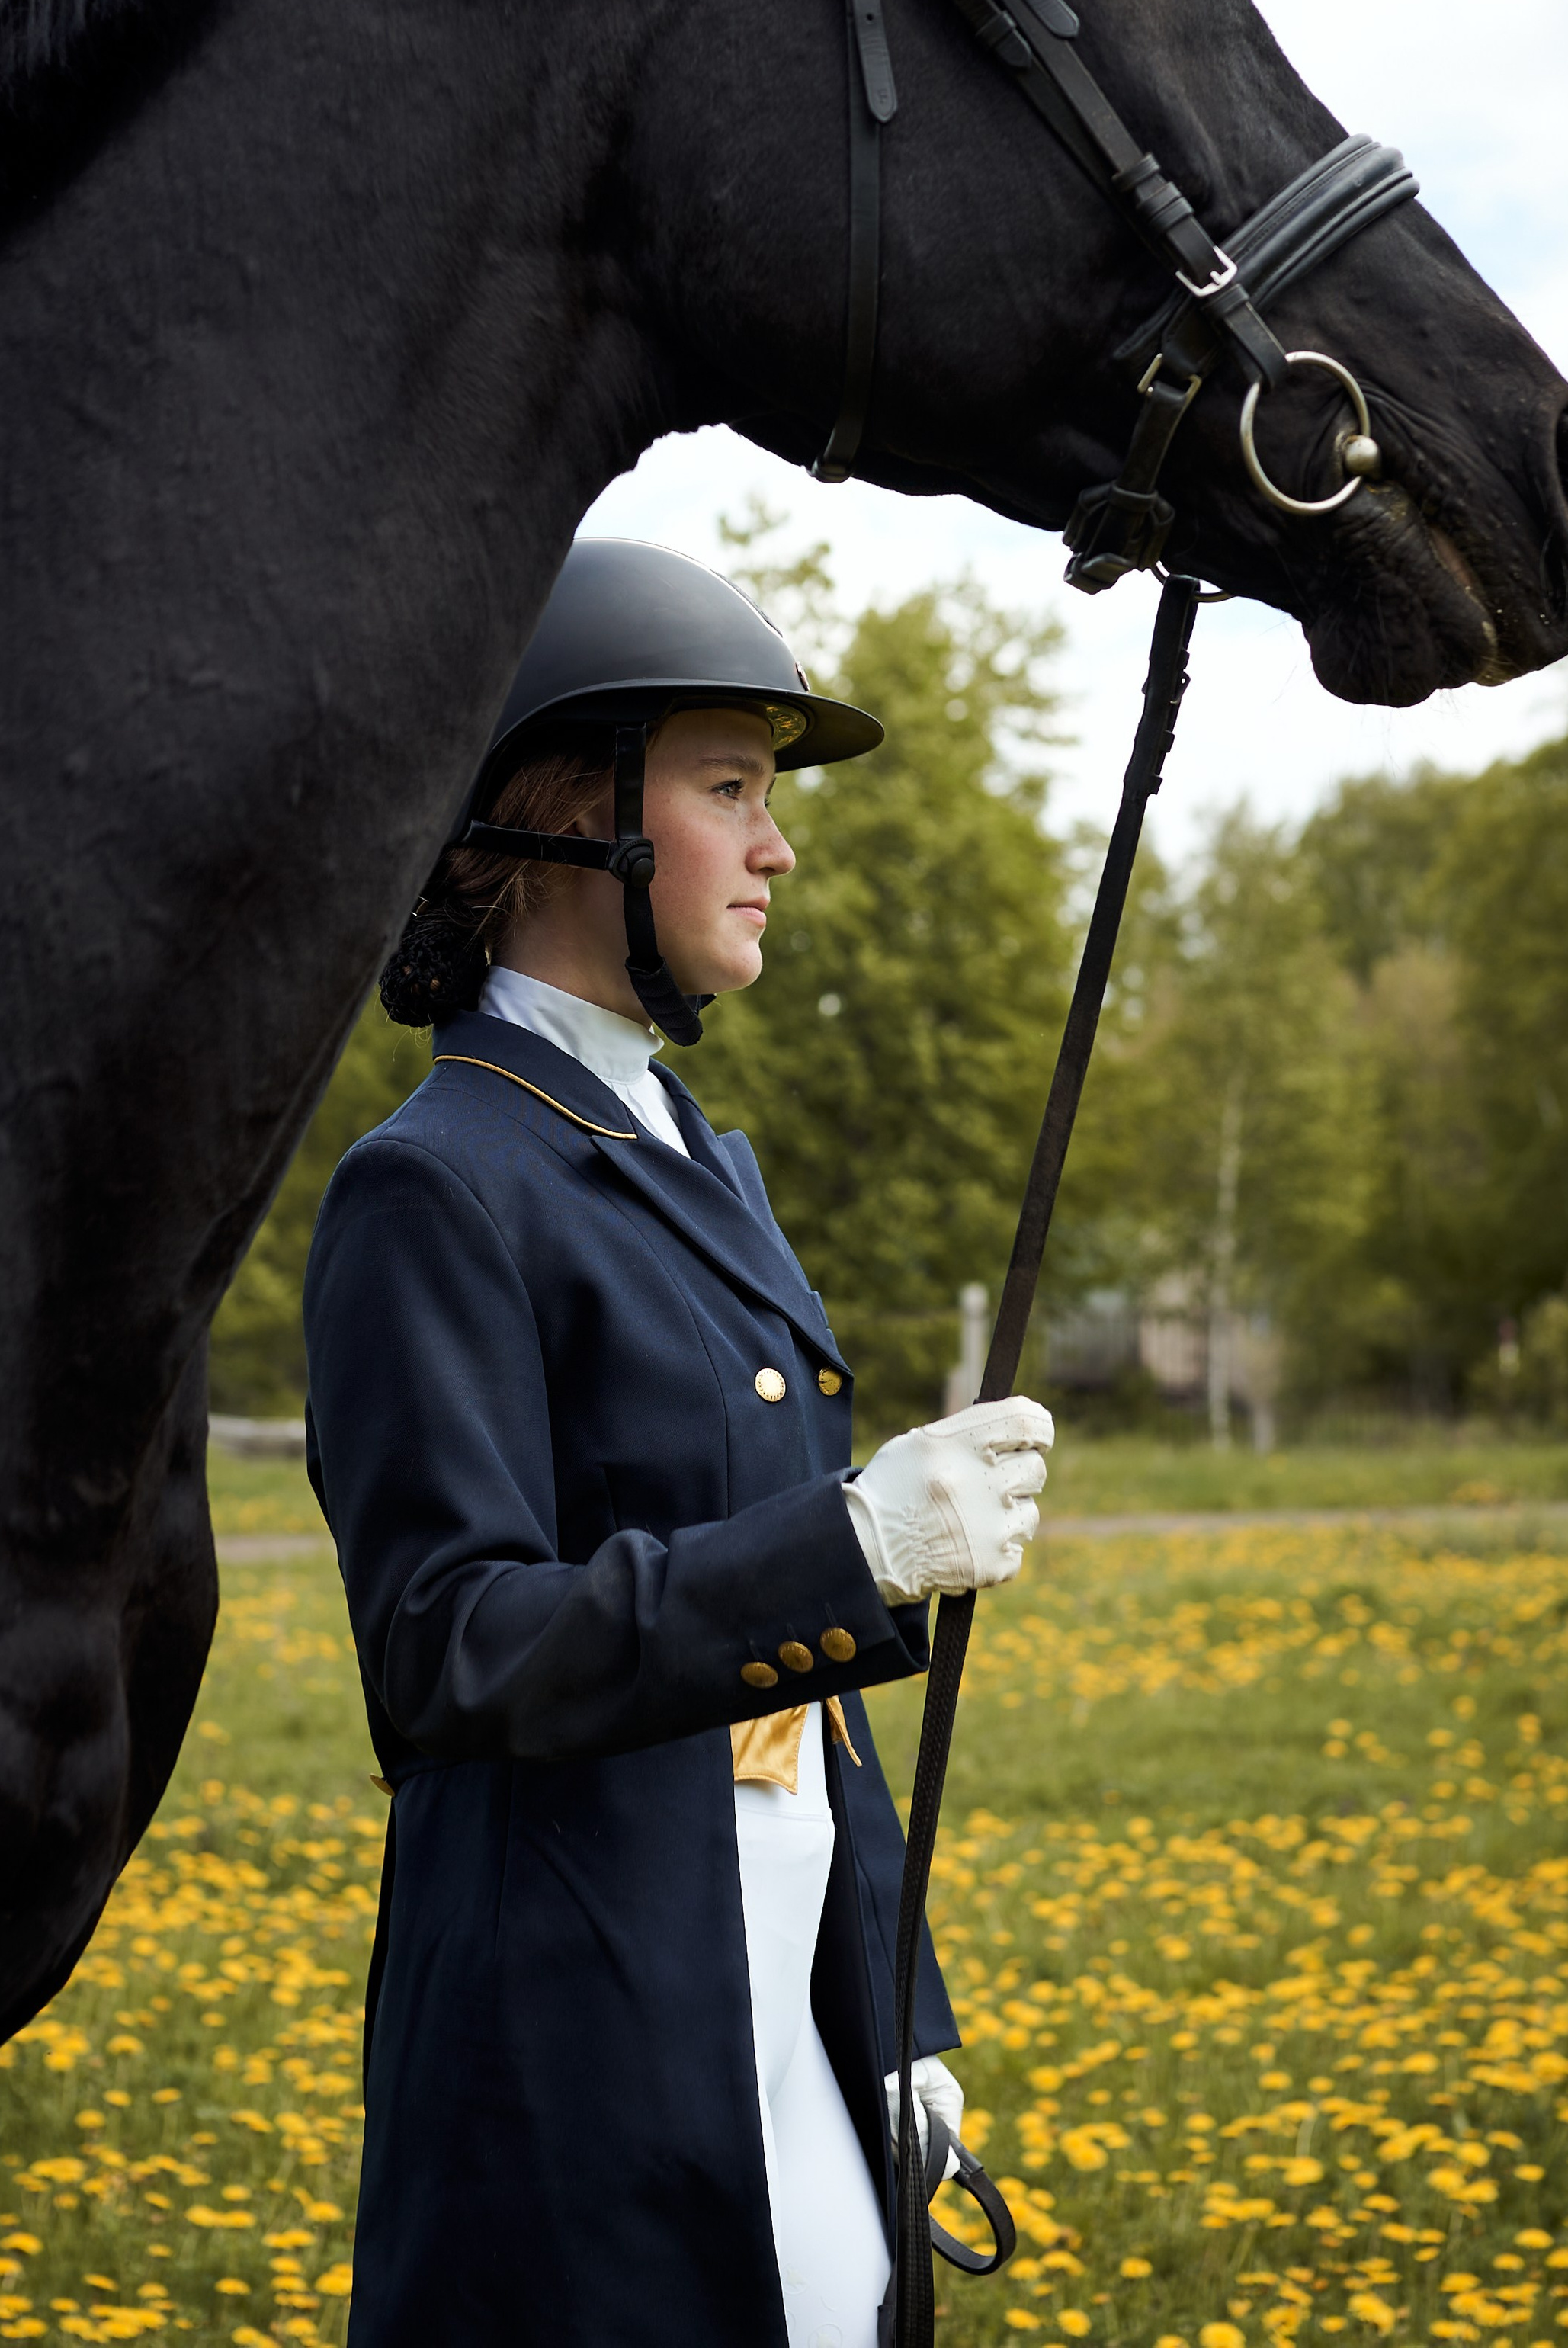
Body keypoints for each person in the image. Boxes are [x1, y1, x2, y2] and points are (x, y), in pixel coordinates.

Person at [304, 540, 1052, 2348]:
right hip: (576, 2054)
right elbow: (446, 1649)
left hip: (794, 2013)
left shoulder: (704, 1157)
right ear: (576, 824)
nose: (776, 844)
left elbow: (815, 1717)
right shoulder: (432, 1187)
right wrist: (849, 1552)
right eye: (728, 789)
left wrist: (896, 2007)